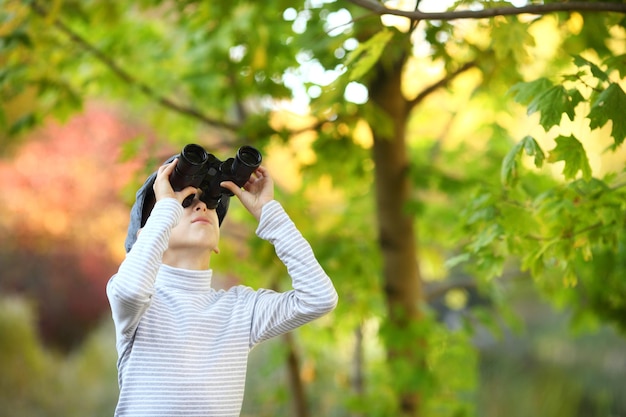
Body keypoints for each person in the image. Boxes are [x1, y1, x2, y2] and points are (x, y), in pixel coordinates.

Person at [106, 153, 338, 417]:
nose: (202, 207)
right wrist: (164, 210)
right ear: (146, 235)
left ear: (217, 243)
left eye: (210, 202)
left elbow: (319, 297)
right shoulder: (136, 301)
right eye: (184, 203)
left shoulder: (240, 310)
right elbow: (131, 290)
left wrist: (268, 213)